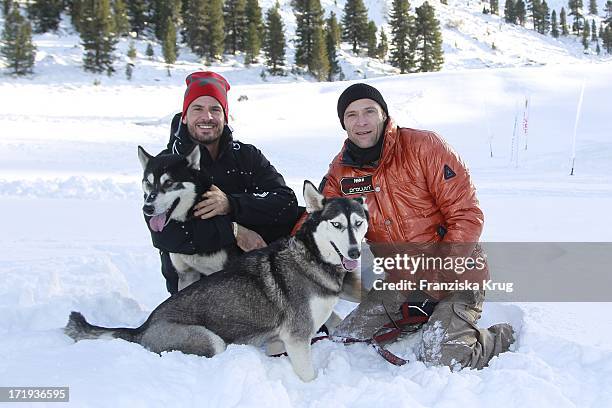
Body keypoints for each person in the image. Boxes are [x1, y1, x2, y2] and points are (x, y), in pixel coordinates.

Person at [319, 83, 515, 370]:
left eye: (369, 111)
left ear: (384, 115)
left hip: (457, 276)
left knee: (444, 359)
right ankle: (421, 316)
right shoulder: (341, 172)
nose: (361, 122)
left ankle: (498, 337)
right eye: (351, 115)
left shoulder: (424, 146)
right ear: (343, 124)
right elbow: (319, 223)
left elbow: (466, 213)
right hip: (402, 280)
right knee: (347, 338)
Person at [151, 71, 300, 294]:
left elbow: (285, 202)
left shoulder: (246, 156)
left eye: (215, 109)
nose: (207, 117)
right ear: (184, 116)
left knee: (309, 217)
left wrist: (231, 204)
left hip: (252, 276)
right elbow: (165, 233)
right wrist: (234, 230)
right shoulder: (165, 164)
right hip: (194, 286)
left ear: (225, 116)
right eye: (197, 108)